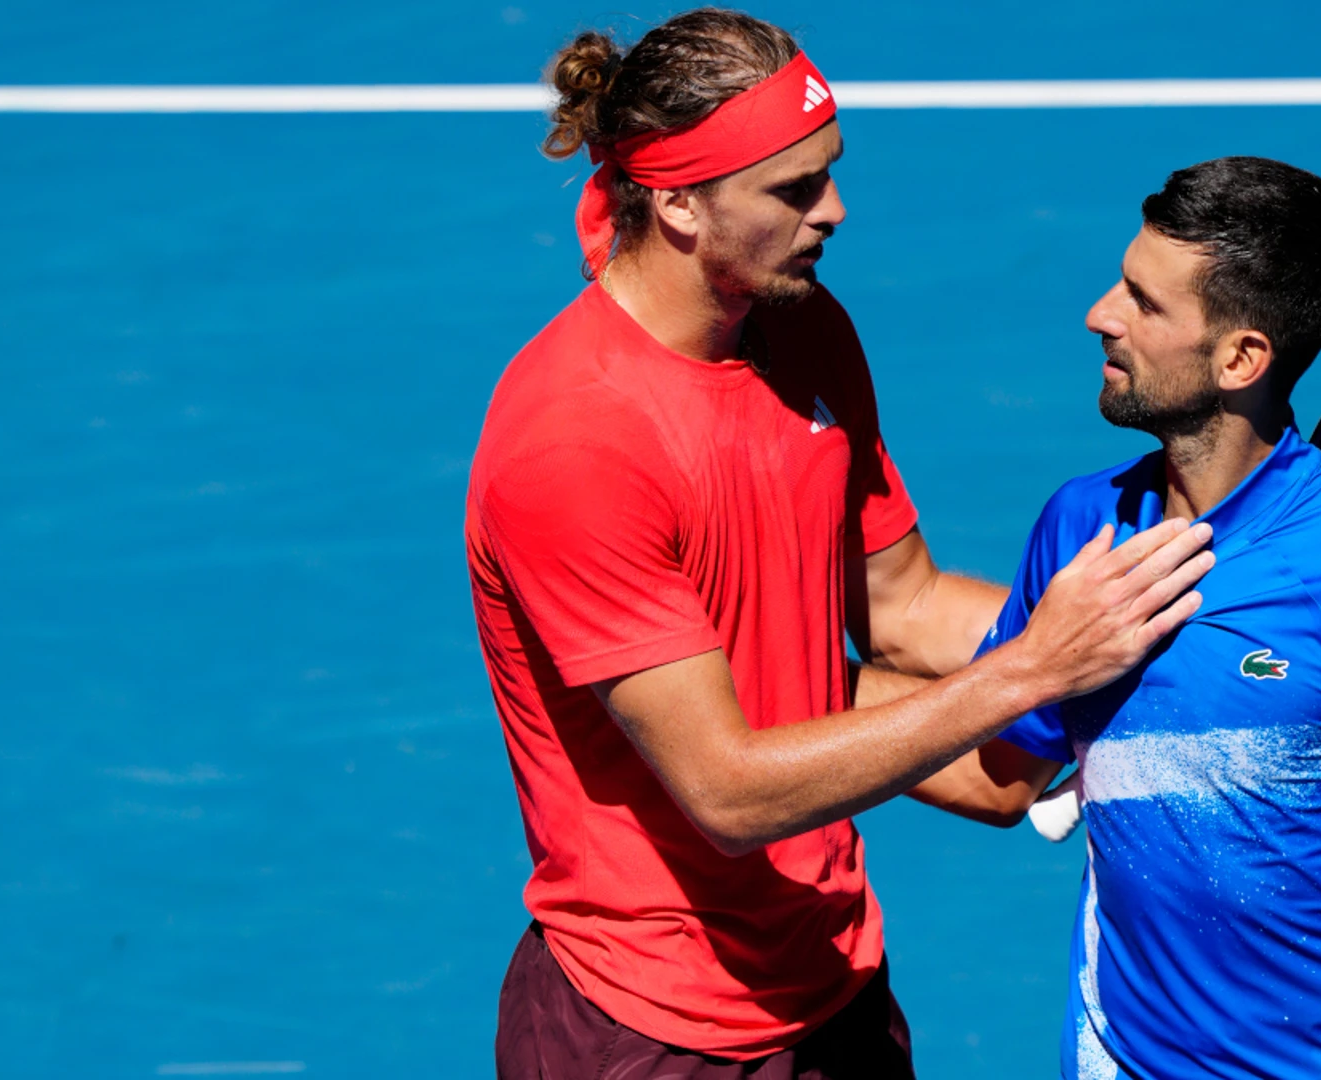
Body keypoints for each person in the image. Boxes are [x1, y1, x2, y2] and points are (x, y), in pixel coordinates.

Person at [463, 10, 1213, 1078]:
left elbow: (901, 606)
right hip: (647, 1029)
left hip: (833, 983)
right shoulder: (575, 441)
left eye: (830, 173)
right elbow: (726, 790)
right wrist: (1038, 670)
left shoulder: (802, 327)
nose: (835, 211)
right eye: (794, 190)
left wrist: (1156, 616)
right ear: (678, 200)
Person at [897, 157, 1321, 1078]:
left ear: (1241, 358)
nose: (1102, 313)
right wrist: (780, 664)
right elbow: (997, 778)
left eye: (1144, 301)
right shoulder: (1080, 527)